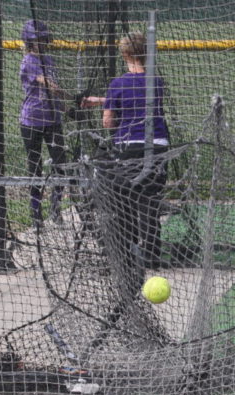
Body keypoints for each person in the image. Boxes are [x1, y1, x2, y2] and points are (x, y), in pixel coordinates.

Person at [82, 31, 170, 272]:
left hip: (129, 149)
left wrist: (108, 103)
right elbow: (139, 98)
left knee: (126, 203)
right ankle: (152, 256)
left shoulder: (118, 84)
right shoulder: (157, 82)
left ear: (125, 54)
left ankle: (129, 254)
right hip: (158, 148)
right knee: (150, 203)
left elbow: (108, 123)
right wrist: (104, 99)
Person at [20, 19, 67, 226]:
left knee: (61, 164)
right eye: (36, 40)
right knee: (35, 167)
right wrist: (67, 94)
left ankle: (56, 209)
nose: (40, 43)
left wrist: (67, 107)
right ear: (29, 42)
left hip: (53, 119)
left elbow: (54, 92)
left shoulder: (48, 59)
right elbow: (48, 84)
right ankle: (36, 213)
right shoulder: (29, 60)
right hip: (32, 121)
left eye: (42, 39)